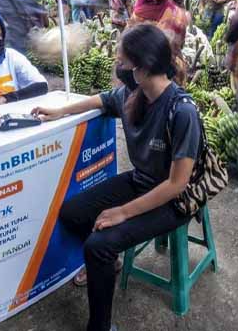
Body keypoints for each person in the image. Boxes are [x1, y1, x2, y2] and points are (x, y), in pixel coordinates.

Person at [34, 25, 201, 331]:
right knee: (72, 212)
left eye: (123, 62)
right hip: (142, 182)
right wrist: (59, 111)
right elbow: (100, 100)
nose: (118, 68)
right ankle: (109, 263)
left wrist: (122, 212)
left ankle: (100, 325)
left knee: (98, 245)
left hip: (173, 200)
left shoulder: (182, 111)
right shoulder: (132, 94)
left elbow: (177, 184)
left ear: (145, 66)